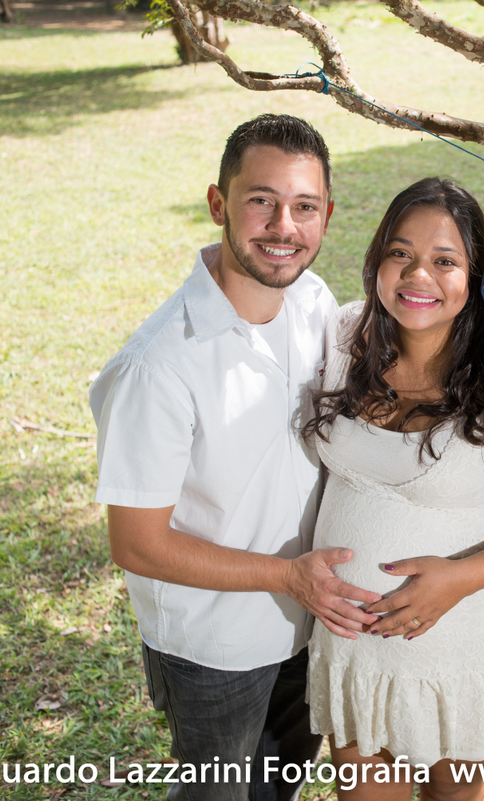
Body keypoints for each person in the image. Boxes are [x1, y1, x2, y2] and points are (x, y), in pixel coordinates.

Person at [89, 114, 383, 801]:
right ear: (219, 203)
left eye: (304, 206)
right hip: (212, 647)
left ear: (327, 215)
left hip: (308, 629)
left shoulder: (310, 303)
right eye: (261, 200)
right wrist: (289, 576)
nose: (284, 225)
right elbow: (137, 543)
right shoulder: (157, 365)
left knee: (276, 791)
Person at [302, 177, 484, 801]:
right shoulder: (345, 336)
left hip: (461, 641)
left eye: (445, 260)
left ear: (477, 274)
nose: (417, 275)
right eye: (400, 253)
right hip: (356, 648)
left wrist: (457, 579)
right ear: (376, 259)